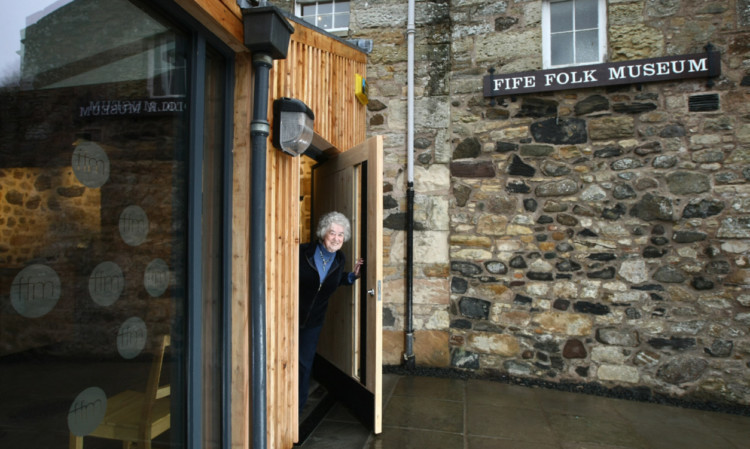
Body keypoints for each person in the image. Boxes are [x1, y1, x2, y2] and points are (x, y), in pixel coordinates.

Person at [298, 211, 363, 415]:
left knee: (303, 365)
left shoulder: (339, 260)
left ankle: (296, 412)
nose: (336, 238)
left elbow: (328, 280)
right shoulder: (303, 252)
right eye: (332, 233)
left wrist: (351, 277)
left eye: (340, 235)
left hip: (313, 322)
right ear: (323, 233)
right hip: (288, 317)